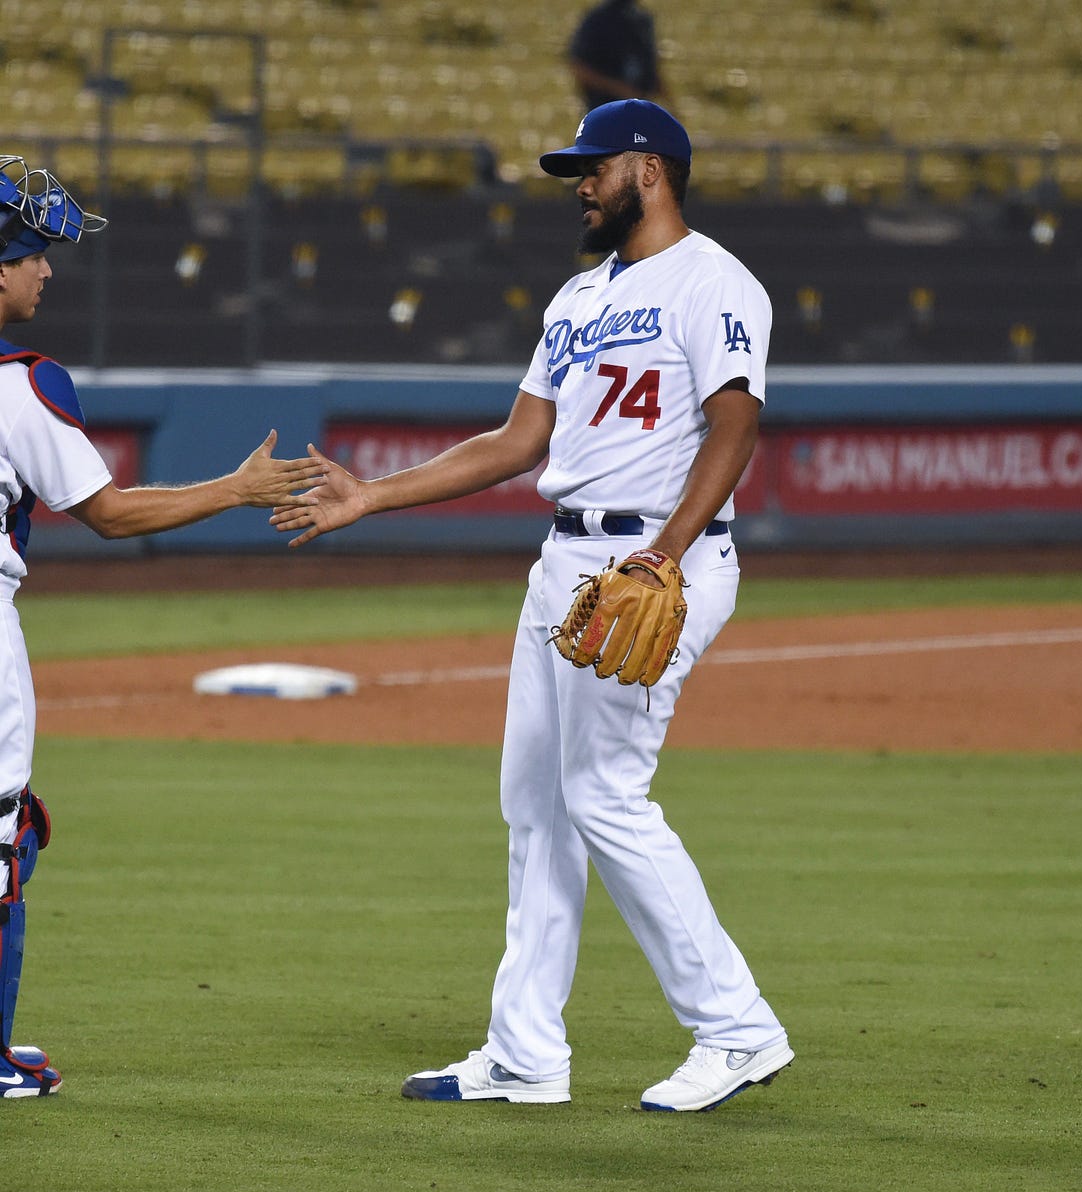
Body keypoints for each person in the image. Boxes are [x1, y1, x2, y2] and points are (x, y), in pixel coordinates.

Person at [271, 99, 793, 1113]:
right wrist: (372, 493)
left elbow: (737, 427)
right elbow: (517, 443)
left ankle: (737, 1029)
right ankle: (525, 1052)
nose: (580, 186)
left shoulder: (716, 283)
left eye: (594, 169)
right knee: (536, 808)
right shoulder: (577, 297)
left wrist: (664, 557)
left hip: (657, 560)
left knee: (604, 794)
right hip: (565, 565)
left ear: (648, 169)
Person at [0, 154, 321, 1098]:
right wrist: (236, 489)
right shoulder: (22, 382)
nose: (47, 272)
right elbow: (106, 513)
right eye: (32, 257)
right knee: (2, 842)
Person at [569, 0, 668, 112]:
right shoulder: (598, 20)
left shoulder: (641, 19)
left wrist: (668, 103)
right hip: (605, 111)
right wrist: (620, 89)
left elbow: (650, 66)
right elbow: (580, 67)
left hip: (640, 111)